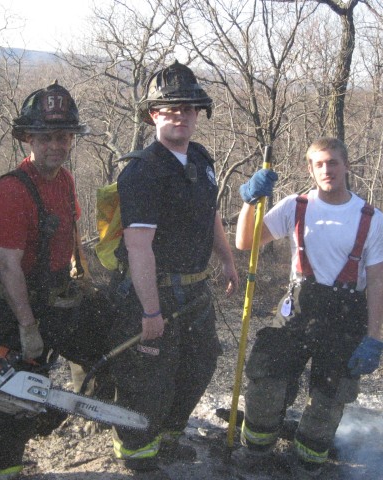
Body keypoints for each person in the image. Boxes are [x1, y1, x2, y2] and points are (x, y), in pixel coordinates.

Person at [0, 81, 107, 480]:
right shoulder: (13, 191)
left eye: (63, 137)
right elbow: (9, 267)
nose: (56, 145)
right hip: (11, 312)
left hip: (52, 300)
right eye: (46, 137)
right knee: (3, 406)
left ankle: (76, 416)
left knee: (104, 343)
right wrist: (28, 327)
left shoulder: (64, 180)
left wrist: (81, 275)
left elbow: (72, 230)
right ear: (28, 138)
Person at [234, 137, 383, 478]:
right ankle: (257, 453)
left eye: (333, 163)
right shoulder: (296, 205)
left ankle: (307, 462)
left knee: (329, 397)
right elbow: (245, 242)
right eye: (318, 164)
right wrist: (250, 201)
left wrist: (373, 337)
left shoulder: (371, 218)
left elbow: (378, 281)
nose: (326, 170)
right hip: (298, 309)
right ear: (310, 168)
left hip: (346, 315)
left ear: (346, 165)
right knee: (265, 378)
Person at [108, 60, 239, 474]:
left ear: (198, 113)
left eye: (188, 107)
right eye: (170, 109)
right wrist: (150, 310)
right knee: (150, 378)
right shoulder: (143, 172)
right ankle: (137, 454)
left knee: (200, 363)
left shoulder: (201, 160)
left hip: (195, 291)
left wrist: (227, 260)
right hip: (154, 291)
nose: (180, 115)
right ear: (153, 115)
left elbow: (210, 215)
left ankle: (166, 436)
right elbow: (138, 248)